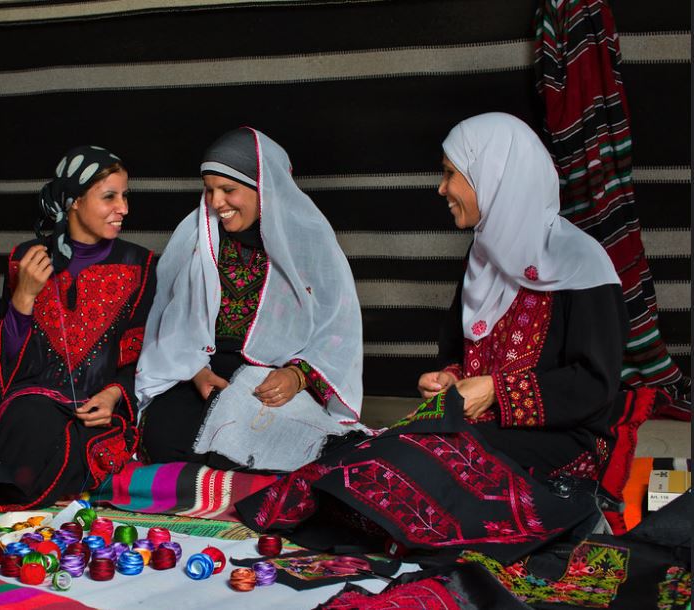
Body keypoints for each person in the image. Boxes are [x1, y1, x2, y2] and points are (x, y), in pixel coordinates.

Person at [236, 113, 629, 562]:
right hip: (479, 425)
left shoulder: (580, 262)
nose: (441, 189)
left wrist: (496, 391)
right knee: (361, 453)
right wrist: (448, 377)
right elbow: (461, 354)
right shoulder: (484, 257)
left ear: (494, 177)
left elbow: (594, 385)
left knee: (418, 462)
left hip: (562, 440)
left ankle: (568, 514)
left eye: (449, 175)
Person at [136, 127, 365, 473]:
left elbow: (338, 329)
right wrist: (195, 370)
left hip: (272, 377)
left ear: (263, 188)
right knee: (163, 433)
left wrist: (297, 377)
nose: (216, 203)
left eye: (228, 190)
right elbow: (170, 319)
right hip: (205, 369)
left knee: (276, 434)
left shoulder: (308, 242)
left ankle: (231, 469)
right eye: (209, 190)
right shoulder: (198, 234)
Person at [0, 145, 156, 508]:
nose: (124, 209)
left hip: (96, 409)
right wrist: (24, 296)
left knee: (80, 438)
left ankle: (18, 485)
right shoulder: (25, 258)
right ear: (74, 202)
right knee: (31, 419)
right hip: (31, 405)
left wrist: (114, 394)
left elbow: (143, 355)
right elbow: (1, 374)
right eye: (109, 197)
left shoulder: (139, 265)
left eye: (125, 196)